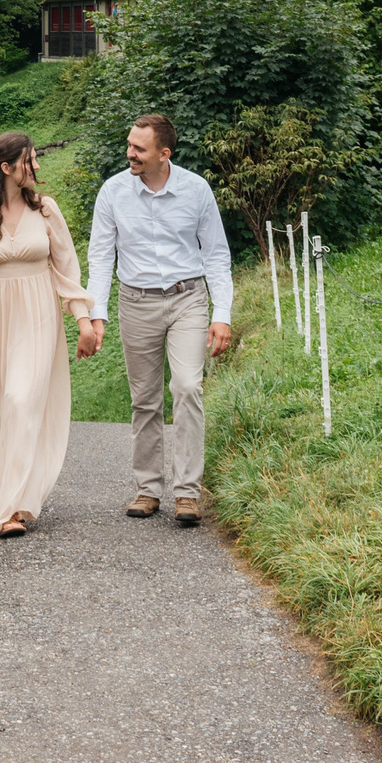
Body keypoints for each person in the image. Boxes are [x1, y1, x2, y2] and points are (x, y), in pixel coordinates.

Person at [80, 112, 233, 526]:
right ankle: (148, 489)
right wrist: (98, 315)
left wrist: (222, 314)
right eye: (130, 145)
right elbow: (100, 257)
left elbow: (216, 254)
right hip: (136, 302)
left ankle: (187, 493)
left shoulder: (196, 190)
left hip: (188, 299)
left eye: (139, 149)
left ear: (164, 154)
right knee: (144, 400)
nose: (129, 153)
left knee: (187, 387)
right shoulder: (112, 192)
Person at [0, 128, 91, 538]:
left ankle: (4, 515)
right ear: (8, 168)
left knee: (19, 400)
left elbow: (67, 271)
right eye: (31, 160)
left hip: (38, 315)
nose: (38, 166)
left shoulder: (46, 210)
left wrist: (82, 320)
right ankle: (14, 500)